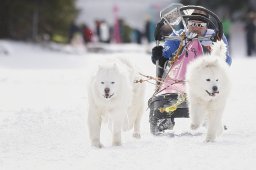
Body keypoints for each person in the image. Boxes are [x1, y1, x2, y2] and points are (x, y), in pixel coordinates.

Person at [151, 9, 232, 85]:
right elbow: (165, 55)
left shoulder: (214, 37)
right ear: (187, 24)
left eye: (200, 25)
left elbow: (226, 60)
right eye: (192, 24)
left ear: (206, 26)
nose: (196, 28)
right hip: (179, 79)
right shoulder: (178, 36)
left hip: (207, 80)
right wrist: (158, 56)